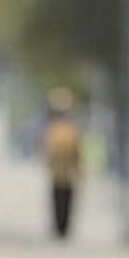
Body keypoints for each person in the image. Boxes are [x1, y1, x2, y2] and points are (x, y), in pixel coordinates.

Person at [42, 86, 83, 239]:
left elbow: (76, 151)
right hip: (59, 173)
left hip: (66, 173)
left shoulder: (69, 130)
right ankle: (60, 227)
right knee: (59, 200)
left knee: (64, 201)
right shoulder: (54, 130)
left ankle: (63, 227)